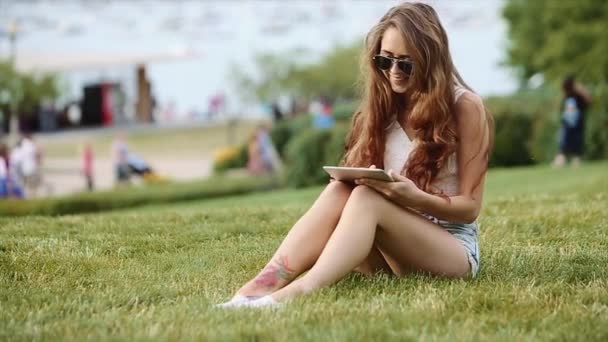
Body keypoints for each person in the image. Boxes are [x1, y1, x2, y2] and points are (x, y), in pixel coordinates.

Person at [217, 2, 494, 308]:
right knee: (342, 188)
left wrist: (412, 197)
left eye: (406, 64)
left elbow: (470, 208)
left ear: (430, 60)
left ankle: (288, 298)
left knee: (366, 199)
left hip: (451, 249)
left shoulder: (465, 107)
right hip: (392, 249)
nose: (393, 73)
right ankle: (256, 289)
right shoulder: (385, 105)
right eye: (385, 61)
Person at [552, 75, 592, 168]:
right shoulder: (567, 95)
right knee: (564, 142)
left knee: (577, 142)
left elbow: (589, 101)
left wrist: (581, 89)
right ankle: (560, 161)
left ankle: (575, 161)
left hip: (577, 123)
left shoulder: (578, 95)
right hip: (567, 123)